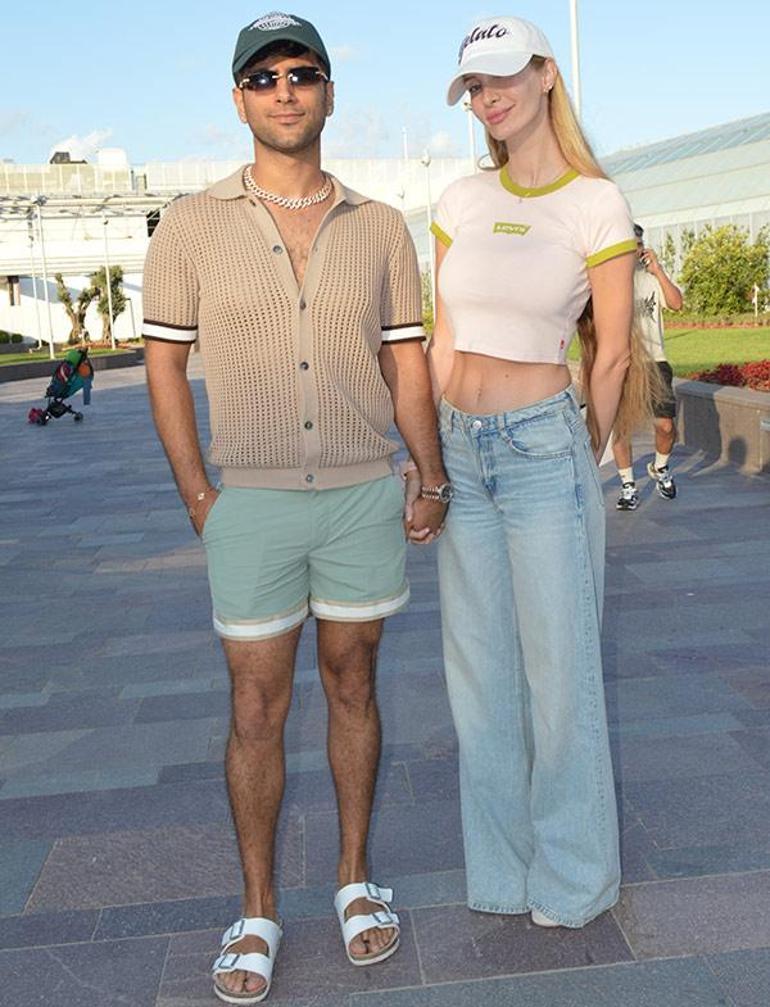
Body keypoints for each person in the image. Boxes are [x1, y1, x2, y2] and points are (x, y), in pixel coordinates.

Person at [143, 12, 448, 1003]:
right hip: (252, 504)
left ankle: (354, 878)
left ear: (328, 93)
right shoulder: (190, 224)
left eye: (302, 73)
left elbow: (406, 362)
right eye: (264, 77)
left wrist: (429, 472)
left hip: (361, 494)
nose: (285, 90)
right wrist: (201, 496)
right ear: (239, 100)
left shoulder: (380, 225)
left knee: (354, 684)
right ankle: (258, 905)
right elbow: (163, 364)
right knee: (254, 706)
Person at [420, 15, 657, 929]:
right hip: (461, 447)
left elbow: (611, 352)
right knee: (479, 677)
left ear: (546, 74)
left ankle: (575, 877)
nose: (489, 97)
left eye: (503, 77)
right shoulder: (458, 200)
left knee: (561, 678)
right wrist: (431, 460)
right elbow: (443, 339)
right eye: (475, 87)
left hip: (542, 451)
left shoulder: (596, 203)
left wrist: (574, 450)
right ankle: (503, 871)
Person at [614, 222, 683, 510]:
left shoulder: (652, 278)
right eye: (631, 245)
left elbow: (676, 304)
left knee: (665, 426)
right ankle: (628, 486)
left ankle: (660, 467)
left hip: (655, 361)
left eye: (640, 245)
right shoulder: (610, 281)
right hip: (623, 363)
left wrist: (659, 270)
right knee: (621, 428)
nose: (636, 250)